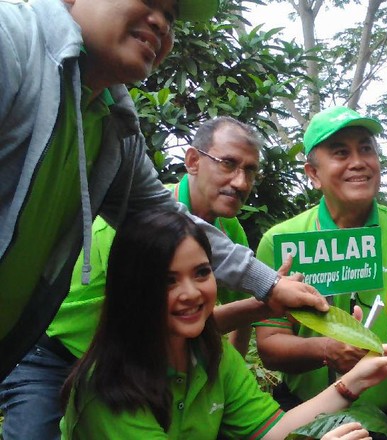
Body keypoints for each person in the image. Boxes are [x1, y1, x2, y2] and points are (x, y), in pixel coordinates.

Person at [0, 0, 328, 380]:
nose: (161, 23)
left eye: (170, 16)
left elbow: (166, 219)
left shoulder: (115, 127)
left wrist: (268, 284)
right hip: (61, 355)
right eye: (148, 1)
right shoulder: (13, 43)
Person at [0, 116, 272, 439]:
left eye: (250, 171)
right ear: (193, 161)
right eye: (228, 164)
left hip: (135, 363)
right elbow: (150, 317)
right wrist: (262, 304)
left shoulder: (232, 235)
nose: (240, 182)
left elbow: (196, 319)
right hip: (57, 354)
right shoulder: (134, 222)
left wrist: (225, 384)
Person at [60, 210, 387, 439]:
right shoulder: (108, 390)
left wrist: (355, 381)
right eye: (167, 280)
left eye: (202, 272)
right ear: (132, 288)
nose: (190, 293)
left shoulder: (210, 356)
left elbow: (271, 430)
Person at [254, 106, 387, 439]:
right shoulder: (279, 242)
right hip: (307, 416)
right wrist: (324, 350)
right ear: (313, 174)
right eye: (340, 153)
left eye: (366, 149)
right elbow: (269, 346)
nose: (358, 161)